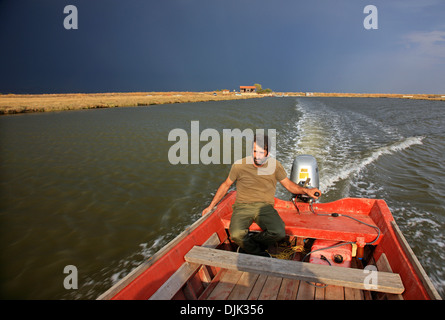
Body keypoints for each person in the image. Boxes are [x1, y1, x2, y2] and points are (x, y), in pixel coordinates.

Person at [202, 134, 321, 257]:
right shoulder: (239, 166)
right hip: (243, 207)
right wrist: (211, 206)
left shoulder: (275, 166)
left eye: (260, 152)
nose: (256, 156)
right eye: (254, 151)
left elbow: (290, 186)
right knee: (236, 235)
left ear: (267, 153)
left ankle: (249, 244)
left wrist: (307, 191)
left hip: (265, 208)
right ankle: (259, 253)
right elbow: (226, 185)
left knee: (279, 232)